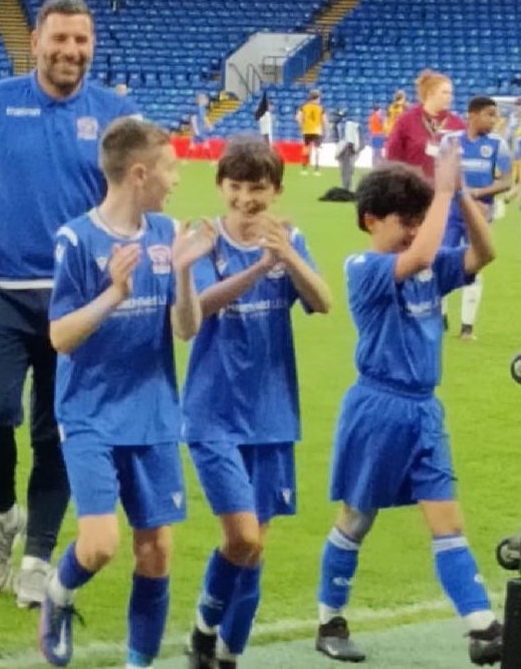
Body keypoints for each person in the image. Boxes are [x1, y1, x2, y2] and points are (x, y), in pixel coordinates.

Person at [0, 0, 140, 608]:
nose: (71, 51)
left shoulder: (114, 113)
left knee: (58, 432)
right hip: (2, 290)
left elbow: (135, 195)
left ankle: (37, 556)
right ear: (36, 40)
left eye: (82, 41)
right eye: (60, 39)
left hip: (78, 302)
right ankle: (2, 516)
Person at [37, 117, 214, 669]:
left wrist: (184, 275)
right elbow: (60, 336)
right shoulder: (77, 239)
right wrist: (114, 293)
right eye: (169, 167)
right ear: (139, 173)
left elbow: (186, 328)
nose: (176, 178)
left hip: (155, 410)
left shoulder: (167, 233)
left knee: (156, 550)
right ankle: (58, 595)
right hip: (90, 413)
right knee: (98, 546)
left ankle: (139, 663)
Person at [313, 151, 501, 666]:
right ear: (370, 221)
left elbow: (484, 254)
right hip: (378, 408)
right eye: (406, 222)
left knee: (447, 518)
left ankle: (482, 625)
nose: (416, 231)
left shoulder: (427, 266)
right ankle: (329, 619)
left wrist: (459, 192)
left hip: (423, 410)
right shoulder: (365, 266)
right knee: (356, 517)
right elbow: (416, 258)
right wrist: (439, 194)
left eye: (421, 222)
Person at [181, 137, 331, 669]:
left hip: (271, 415)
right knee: (241, 536)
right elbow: (197, 308)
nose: (246, 199)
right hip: (212, 412)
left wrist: (287, 256)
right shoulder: (203, 240)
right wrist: (256, 267)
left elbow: (322, 301)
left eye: (258, 188)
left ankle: (227, 652)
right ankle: (203, 623)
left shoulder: (290, 239)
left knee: (255, 547)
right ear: (221, 186)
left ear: (276, 190)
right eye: (236, 187)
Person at [445, 96, 512, 341]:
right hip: (450, 213)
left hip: (479, 215)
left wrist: (478, 193)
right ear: (472, 115)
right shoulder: (450, 141)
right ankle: (439, 317)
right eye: (489, 114)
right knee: (440, 260)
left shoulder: (497, 144)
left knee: (476, 263)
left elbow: (506, 181)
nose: (494, 120)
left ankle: (467, 327)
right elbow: (439, 176)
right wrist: (460, 194)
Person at [385, 70, 466, 180]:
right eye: (445, 93)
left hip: (445, 189)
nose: (449, 97)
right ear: (430, 93)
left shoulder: (457, 123)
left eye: (450, 93)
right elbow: (392, 154)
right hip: (413, 187)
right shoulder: (406, 120)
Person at [296, 90, 325, 176]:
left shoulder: (304, 106)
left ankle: (304, 169)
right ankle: (316, 170)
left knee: (306, 149)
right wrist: (325, 129)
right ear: (317, 98)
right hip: (317, 131)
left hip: (307, 130)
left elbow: (298, 117)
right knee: (317, 150)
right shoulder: (320, 107)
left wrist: (302, 125)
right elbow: (324, 120)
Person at [335, 108, 362, 192]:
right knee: (347, 170)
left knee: (346, 169)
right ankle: (347, 186)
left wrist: (349, 150)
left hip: (347, 150)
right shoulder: (351, 124)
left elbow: (350, 140)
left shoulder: (348, 124)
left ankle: (346, 187)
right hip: (347, 148)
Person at [191, 92, 212, 159]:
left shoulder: (198, 108)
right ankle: (211, 160)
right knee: (205, 144)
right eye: (205, 99)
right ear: (201, 100)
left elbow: (193, 118)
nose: (206, 101)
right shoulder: (201, 108)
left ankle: (187, 161)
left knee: (193, 144)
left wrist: (194, 129)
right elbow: (203, 118)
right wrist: (209, 125)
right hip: (200, 129)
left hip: (199, 129)